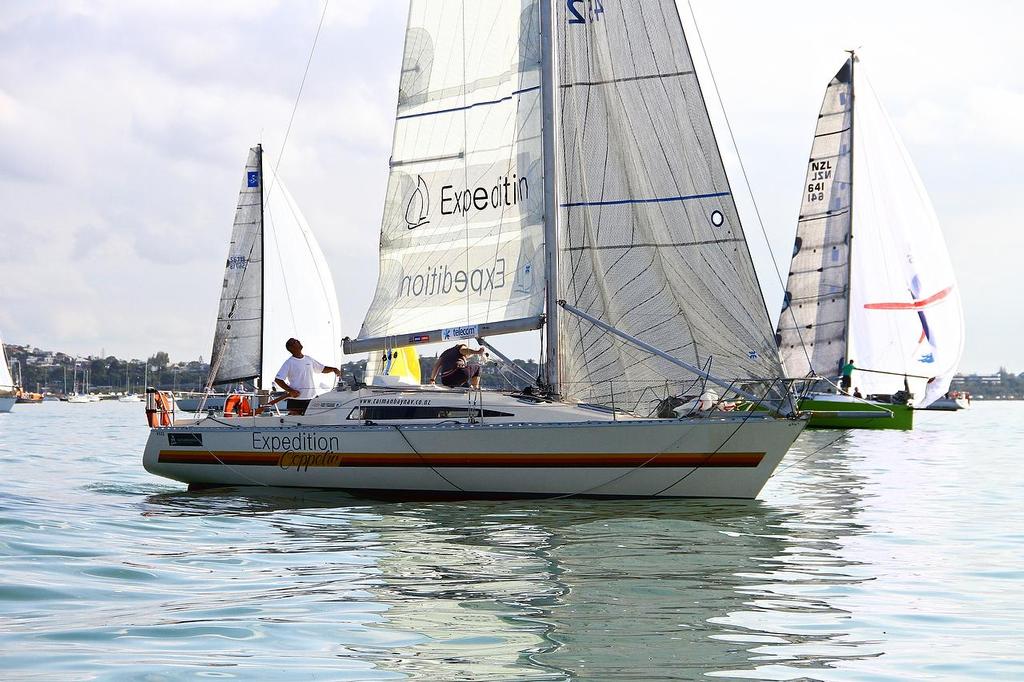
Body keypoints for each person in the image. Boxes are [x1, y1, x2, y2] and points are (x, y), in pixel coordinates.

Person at [274, 338, 341, 415]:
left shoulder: (308, 359)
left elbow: (322, 369)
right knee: (294, 422)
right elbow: (278, 379)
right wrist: (291, 391)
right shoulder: (289, 362)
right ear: (291, 348)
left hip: (311, 398)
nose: (298, 341)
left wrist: (333, 369)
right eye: (295, 342)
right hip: (296, 399)